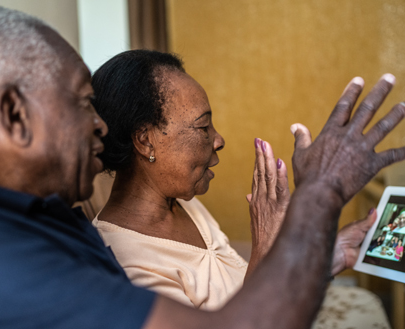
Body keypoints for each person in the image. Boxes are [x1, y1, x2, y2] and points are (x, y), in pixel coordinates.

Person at [0, 6, 405, 329]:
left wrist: (325, 247)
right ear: (16, 115)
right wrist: (319, 194)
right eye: (82, 103)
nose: (100, 126)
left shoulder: (37, 218)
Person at [91, 50, 381, 311]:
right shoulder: (124, 265)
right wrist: (266, 241)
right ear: (146, 140)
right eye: (203, 126)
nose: (219, 139)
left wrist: (325, 256)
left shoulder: (185, 205)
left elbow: (236, 284)